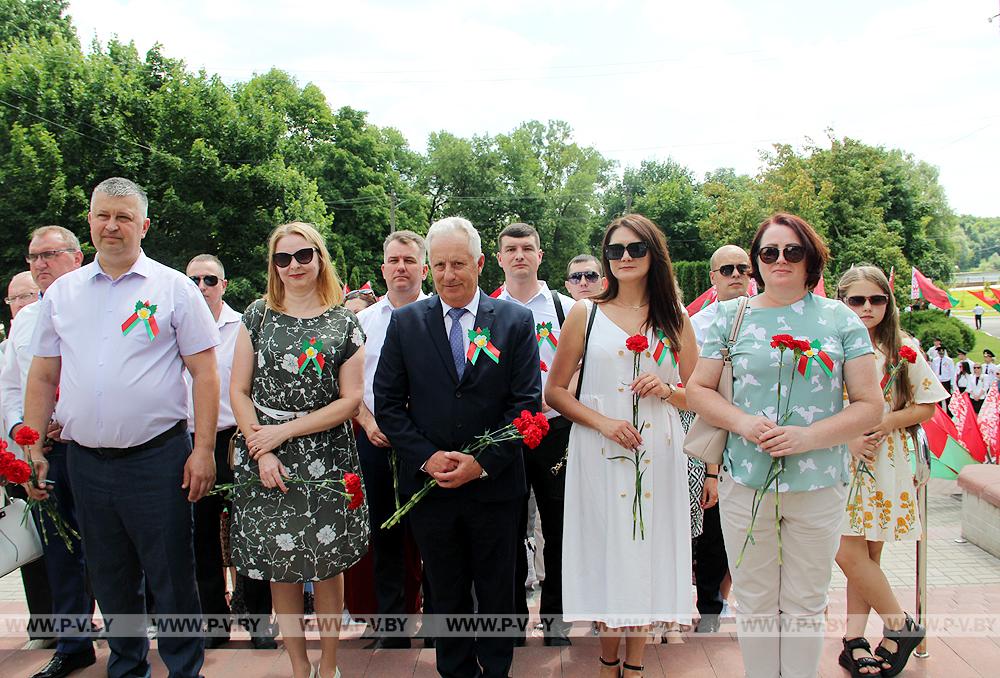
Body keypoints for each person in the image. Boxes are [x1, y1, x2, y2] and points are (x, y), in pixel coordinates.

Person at [21, 177, 221, 678]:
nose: (112, 226)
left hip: (158, 459)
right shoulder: (62, 294)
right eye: (103, 216)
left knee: (173, 578)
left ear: (144, 225)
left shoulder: (174, 288)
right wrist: (29, 443)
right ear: (89, 221)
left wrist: (203, 451)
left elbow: (205, 372)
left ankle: (184, 670)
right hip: (87, 463)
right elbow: (44, 374)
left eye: (124, 217)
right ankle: (127, 669)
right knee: (111, 580)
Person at [686, 212, 883, 678]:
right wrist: (745, 424)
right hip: (745, 481)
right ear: (755, 261)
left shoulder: (839, 319)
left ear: (810, 258)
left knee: (805, 601)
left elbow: (869, 404)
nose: (780, 260)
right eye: (768, 252)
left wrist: (807, 437)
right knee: (754, 599)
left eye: (792, 251)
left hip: (817, 484)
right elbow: (698, 389)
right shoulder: (729, 319)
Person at [374, 216, 541, 678]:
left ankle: (497, 667)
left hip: (494, 486)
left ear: (481, 263)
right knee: (444, 589)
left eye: (459, 264)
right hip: (432, 486)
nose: (449, 274)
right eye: (440, 264)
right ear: (430, 267)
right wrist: (427, 457)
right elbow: (388, 404)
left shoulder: (514, 321)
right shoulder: (407, 324)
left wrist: (481, 462)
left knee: (496, 589)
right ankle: (455, 670)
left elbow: (526, 404)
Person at [547, 214, 698, 678]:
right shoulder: (584, 312)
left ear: (654, 253)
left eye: (635, 248)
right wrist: (605, 422)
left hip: (659, 448)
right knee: (608, 550)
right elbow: (554, 392)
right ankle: (606, 661)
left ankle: (634, 665)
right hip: (600, 448)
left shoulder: (675, 315)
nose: (625, 258)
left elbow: (699, 392)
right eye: (615, 251)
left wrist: (666, 391)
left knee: (646, 552)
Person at [229, 221, 369, 678]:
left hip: (327, 455)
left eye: (303, 255)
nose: (293, 266)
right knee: (280, 566)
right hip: (264, 454)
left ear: (319, 258)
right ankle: (298, 666)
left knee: (328, 566)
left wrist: (284, 433)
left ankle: (328, 665)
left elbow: (349, 401)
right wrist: (261, 447)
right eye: (282, 258)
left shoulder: (345, 321)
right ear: (273, 265)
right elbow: (239, 390)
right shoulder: (256, 315)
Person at [834, 266, 940, 677]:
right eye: (856, 300)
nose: (866, 308)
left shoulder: (904, 347)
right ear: (842, 302)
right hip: (840, 457)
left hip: (885, 458)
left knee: (867, 554)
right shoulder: (831, 344)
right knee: (847, 551)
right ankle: (900, 625)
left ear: (888, 303)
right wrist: (848, 438)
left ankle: (855, 641)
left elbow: (928, 405)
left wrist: (886, 422)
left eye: (876, 299)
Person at [1, 228, 95, 678]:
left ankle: (126, 642)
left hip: (96, 447)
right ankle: (74, 643)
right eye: (34, 256)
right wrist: (24, 431)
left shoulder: (101, 308)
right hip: (45, 452)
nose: (40, 264)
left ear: (76, 258)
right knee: (60, 550)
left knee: (112, 547)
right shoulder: (25, 320)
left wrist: (72, 412)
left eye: (51, 255)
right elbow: (12, 386)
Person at [184, 254, 277, 650]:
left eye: (209, 280)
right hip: (190, 442)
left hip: (238, 439)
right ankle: (213, 624)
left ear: (224, 284)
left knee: (250, 534)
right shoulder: (169, 323)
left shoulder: (244, 326)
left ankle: (259, 621)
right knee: (200, 536)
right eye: (194, 281)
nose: (201, 287)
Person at [494, 222, 576, 646]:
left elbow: (580, 367)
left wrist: (554, 400)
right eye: (512, 249)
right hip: (506, 433)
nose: (520, 255)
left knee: (559, 526)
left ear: (541, 256)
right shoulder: (485, 310)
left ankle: (556, 621)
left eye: (528, 248)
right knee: (507, 527)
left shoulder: (564, 308)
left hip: (556, 430)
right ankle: (509, 622)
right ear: (500, 257)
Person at [353, 230, 429, 649]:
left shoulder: (441, 315)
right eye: (393, 260)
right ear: (383, 268)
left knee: (434, 534)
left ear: (423, 268)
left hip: (426, 444)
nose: (401, 267)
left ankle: (438, 625)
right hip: (376, 439)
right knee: (384, 533)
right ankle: (393, 626)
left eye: (409, 260)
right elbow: (348, 388)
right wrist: (366, 421)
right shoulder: (363, 322)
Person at [688, 244, 753, 634]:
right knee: (711, 529)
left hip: (760, 437)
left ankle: (735, 599)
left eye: (742, 268)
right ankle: (709, 605)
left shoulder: (768, 316)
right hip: (712, 435)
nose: (735, 275)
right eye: (726, 269)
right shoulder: (698, 324)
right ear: (713, 277)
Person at [1, 270, 54, 654]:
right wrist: (20, 432)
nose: (20, 304)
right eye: (13, 298)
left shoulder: (52, 324)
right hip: (18, 454)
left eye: (27, 295)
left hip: (61, 444)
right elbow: (10, 392)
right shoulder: (11, 341)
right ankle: (45, 625)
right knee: (32, 544)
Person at [928, 339, 955, 409]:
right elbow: (933, 371)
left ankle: (949, 414)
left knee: (948, 399)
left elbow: (952, 372)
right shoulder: (935, 360)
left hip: (946, 381)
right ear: (938, 353)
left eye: (942, 352)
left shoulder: (949, 360)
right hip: (938, 381)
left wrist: (952, 383)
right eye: (940, 353)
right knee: (938, 399)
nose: (941, 354)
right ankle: (939, 414)